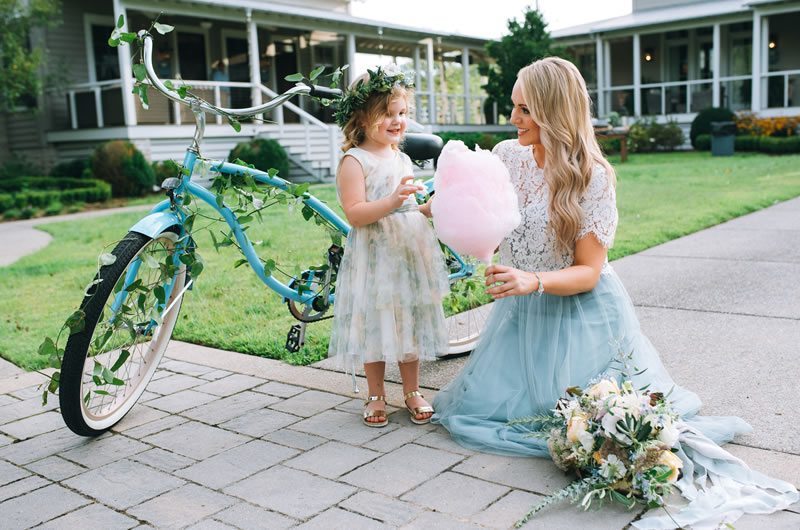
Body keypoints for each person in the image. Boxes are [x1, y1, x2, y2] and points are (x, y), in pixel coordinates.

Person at [432, 57, 798, 528]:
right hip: (521, 314)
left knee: (581, 425)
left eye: (524, 110)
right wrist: (434, 208)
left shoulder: (593, 177)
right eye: (513, 108)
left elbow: (587, 271)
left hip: (579, 312)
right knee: (498, 414)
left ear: (553, 112)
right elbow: (478, 211)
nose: (512, 119)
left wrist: (533, 280)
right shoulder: (507, 156)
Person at [328, 67, 450, 427]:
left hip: (407, 253)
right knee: (376, 324)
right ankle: (376, 394)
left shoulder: (401, 158)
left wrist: (429, 209)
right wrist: (394, 202)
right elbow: (356, 214)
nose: (398, 121)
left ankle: (412, 390)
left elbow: (409, 205)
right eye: (388, 113)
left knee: (408, 319)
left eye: (402, 113)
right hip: (376, 256)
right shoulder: (355, 161)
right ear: (362, 116)